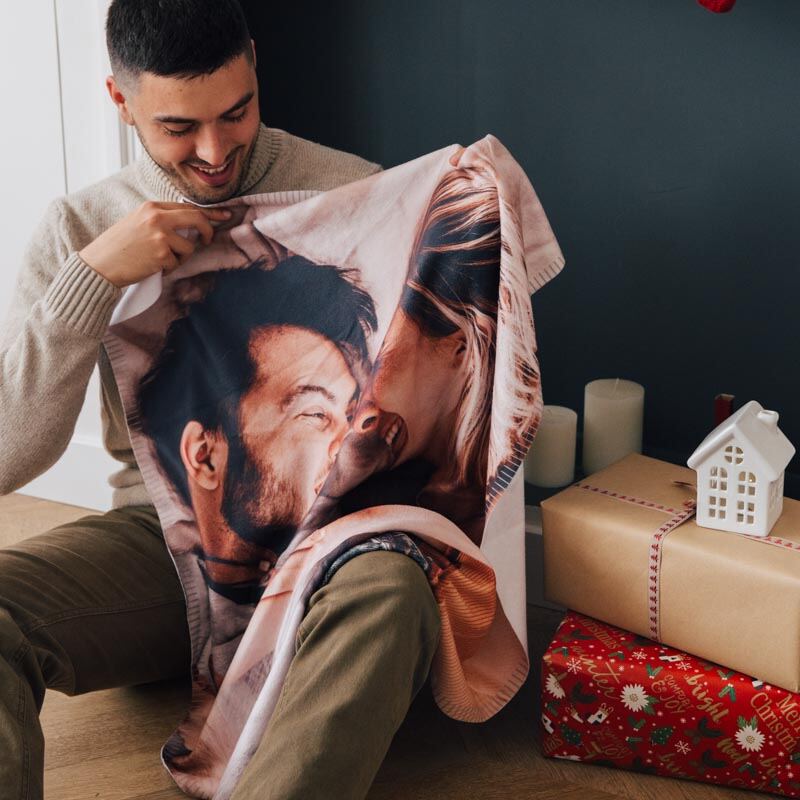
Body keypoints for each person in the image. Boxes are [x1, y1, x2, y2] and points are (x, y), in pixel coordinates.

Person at [0, 1, 440, 799]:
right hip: (161, 548)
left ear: (255, 65)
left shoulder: (360, 193)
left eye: (236, 112)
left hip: (334, 552)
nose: (214, 151)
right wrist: (91, 278)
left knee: (396, 588)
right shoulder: (81, 228)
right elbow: (7, 456)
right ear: (119, 99)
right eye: (178, 127)